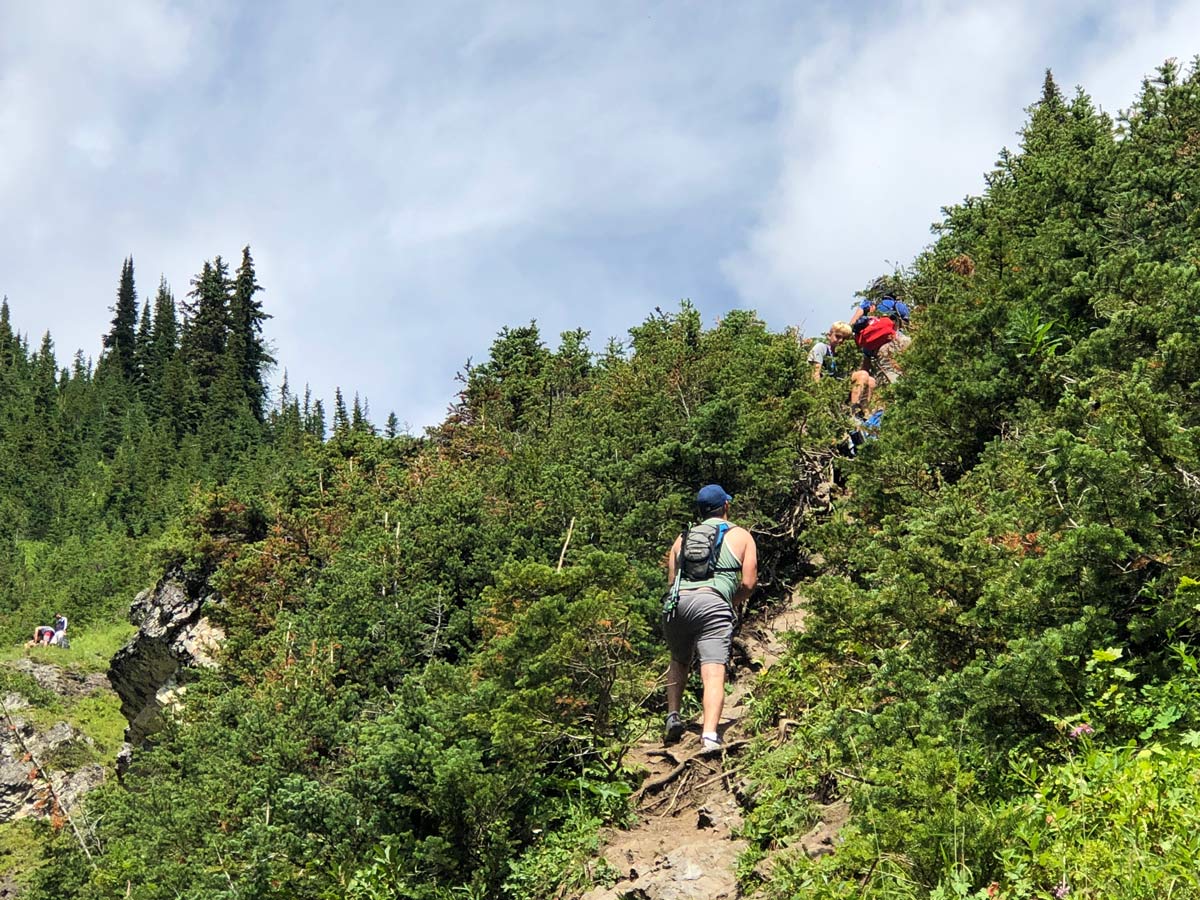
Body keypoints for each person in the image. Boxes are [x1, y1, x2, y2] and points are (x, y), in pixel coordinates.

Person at [662, 484, 758, 751]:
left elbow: (672, 582)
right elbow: (749, 583)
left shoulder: (683, 538)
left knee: (679, 659)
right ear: (725, 506)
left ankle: (672, 716)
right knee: (713, 670)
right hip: (713, 605)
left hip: (676, 606)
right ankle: (709, 736)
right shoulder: (742, 536)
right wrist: (728, 599)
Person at [810, 322, 876, 411]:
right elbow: (815, 373)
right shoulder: (821, 348)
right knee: (863, 374)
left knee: (871, 381)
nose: (841, 341)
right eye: (837, 336)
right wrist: (818, 395)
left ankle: (863, 411)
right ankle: (854, 410)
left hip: (840, 385)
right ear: (829, 335)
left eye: (844, 339)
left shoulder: (843, 355)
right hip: (825, 385)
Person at [850, 294, 911, 386]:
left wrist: (850, 325)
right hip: (897, 339)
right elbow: (906, 322)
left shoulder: (871, 307)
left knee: (893, 378)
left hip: (878, 350)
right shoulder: (897, 304)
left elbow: (866, 361)